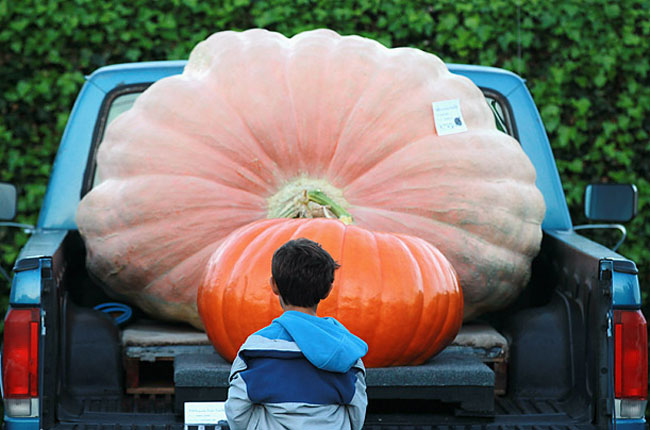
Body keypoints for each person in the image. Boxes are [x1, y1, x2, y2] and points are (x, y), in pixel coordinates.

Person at [224, 238, 368, 430]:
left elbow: (237, 412)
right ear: (328, 290)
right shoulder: (346, 350)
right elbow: (356, 415)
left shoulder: (255, 348)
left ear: (274, 285)